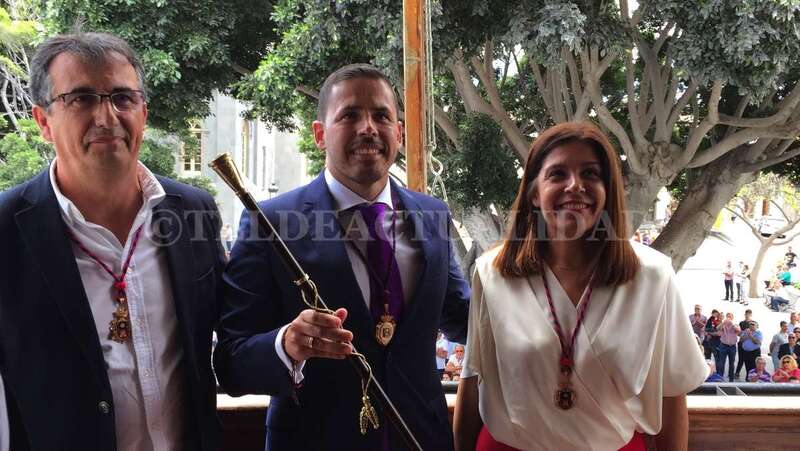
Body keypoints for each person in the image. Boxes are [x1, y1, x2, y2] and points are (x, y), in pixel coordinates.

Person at [213, 63, 471, 451]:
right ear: (320, 134)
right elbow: (231, 361)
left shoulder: (432, 215)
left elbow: (464, 317)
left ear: (398, 133)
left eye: (382, 116)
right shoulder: (270, 223)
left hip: (421, 438)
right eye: (349, 115)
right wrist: (286, 345)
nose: (368, 127)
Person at [0, 33, 225, 450]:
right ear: (43, 121)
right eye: (81, 99)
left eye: (123, 98)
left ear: (144, 112)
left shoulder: (193, 212)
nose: (106, 117)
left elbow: (229, 341)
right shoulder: (7, 230)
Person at [452, 122, 707, 451]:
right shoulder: (492, 273)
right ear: (533, 193)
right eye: (557, 175)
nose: (575, 186)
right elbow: (473, 382)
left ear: (607, 189)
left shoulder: (653, 278)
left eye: (591, 174)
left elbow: (671, 397)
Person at [716, 312, 740, 382]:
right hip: (723, 346)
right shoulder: (723, 325)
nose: (728, 318)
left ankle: (731, 380)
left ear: (732, 318)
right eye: (727, 317)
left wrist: (732, 324)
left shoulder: (735, 324)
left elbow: (738, 330)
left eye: (730, 317)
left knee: (731, 364)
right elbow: (717, 328)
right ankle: (720, 379)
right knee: (721, 363)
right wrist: (723, 323)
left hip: (732, 347)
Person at [734, 309, 753, 378]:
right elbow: (738, 333)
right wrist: (744, 333)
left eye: (748, 314)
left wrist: (745, 334)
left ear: (751, 315)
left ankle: (748, 375)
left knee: (748, 360)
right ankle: (737, 373)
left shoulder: (754, 323)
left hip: (750, 344)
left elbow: (754, 333)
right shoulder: (741, 323)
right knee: (741, 359)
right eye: (746, 314)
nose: (747, 316)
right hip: (741, 343)